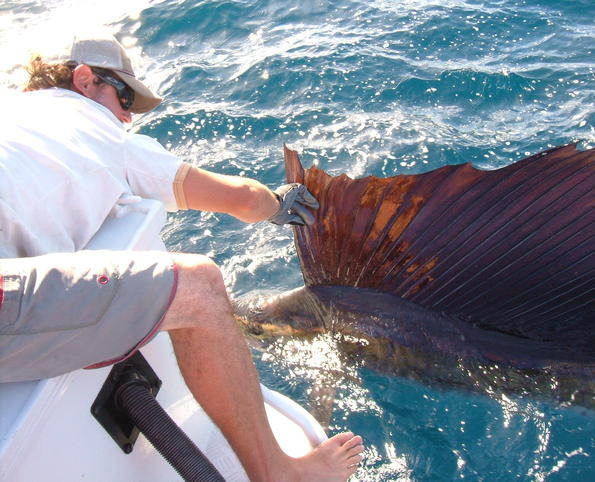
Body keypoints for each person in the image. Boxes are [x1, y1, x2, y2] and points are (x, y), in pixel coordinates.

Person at [0, 34, 363, 481]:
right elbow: (243, 200)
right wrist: (278, 201)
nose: (128, 115)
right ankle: (279, 474)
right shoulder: (99, 130)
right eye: (126, 96)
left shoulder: (14, 116)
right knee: (200, 287)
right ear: (84, 79)